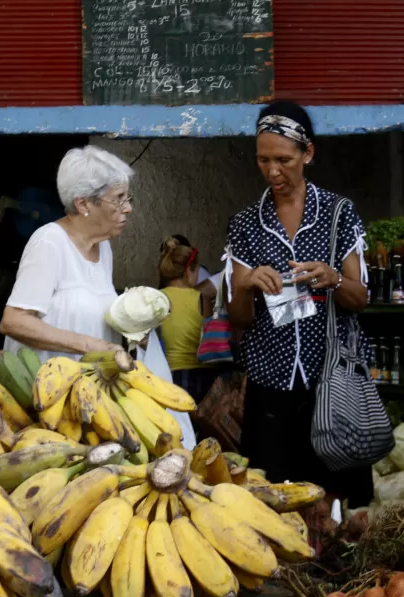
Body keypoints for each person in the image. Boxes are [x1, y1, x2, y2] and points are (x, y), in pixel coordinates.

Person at [226, 100, 372, 507]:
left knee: (336, 500)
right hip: (270, 386)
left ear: (308, 154)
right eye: (263, 160)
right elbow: (239, 319)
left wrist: (334, 278)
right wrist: (247, 286)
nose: (273, 171)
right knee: (272, 500)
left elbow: (359, 299)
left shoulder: (339, 214)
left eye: (284, 160)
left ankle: (339, 566)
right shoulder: (245, 225)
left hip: (330, 383)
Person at [0, 145, 131, 362]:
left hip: (88, 388)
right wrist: (91, 346)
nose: (127, 208)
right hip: (49, 388)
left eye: (127, 197)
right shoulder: (49, 242)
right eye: (118, 198)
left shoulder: (103, 247)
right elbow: (14, 321)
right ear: (83, 203)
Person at [157, 237, 220, 403]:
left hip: (168, 373)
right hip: (202, 374)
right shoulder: (201, 297)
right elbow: (208, 337)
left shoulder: (158, 297)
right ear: (188, 272)